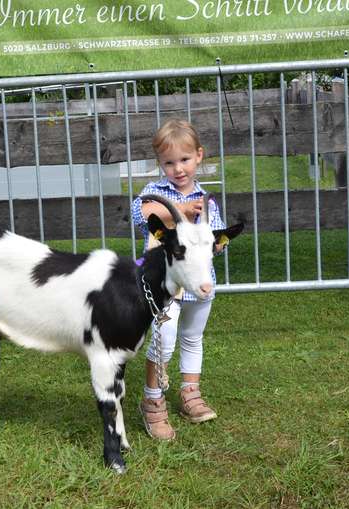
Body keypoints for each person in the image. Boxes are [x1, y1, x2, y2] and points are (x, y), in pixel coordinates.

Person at [131, 119, 226, 441]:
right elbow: (140, 215)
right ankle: (152, 401)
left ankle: (190, 394)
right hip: (165, 289)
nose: (178, 169)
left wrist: (214, 240)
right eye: (168, 163)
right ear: (161, 165)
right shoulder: (154, 193)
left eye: (184, 160)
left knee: (192, 337)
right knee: (163, 341)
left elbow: (218, 241)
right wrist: (181, 211)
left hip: (201, 283)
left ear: (199, 156)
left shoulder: (208, 201)